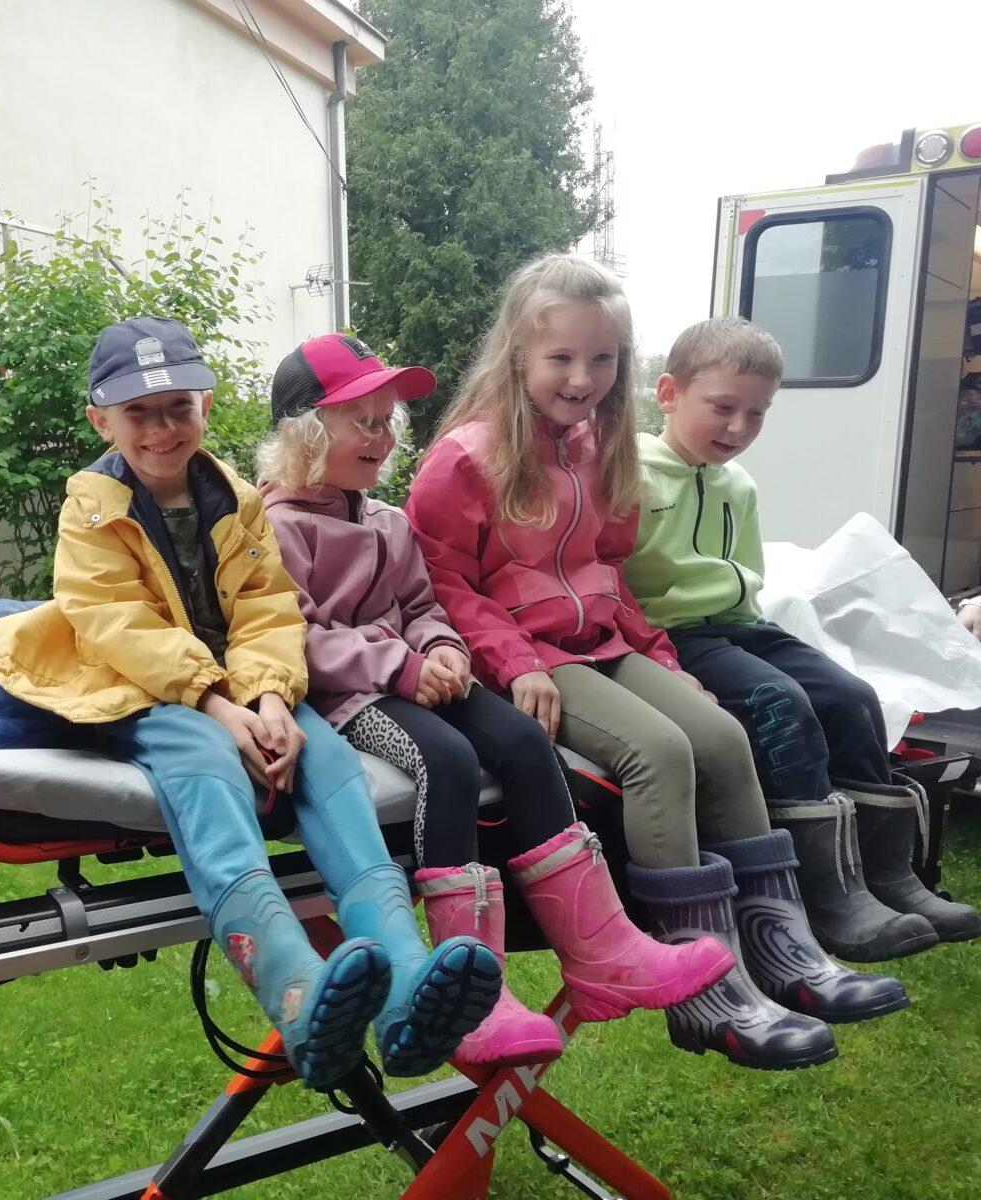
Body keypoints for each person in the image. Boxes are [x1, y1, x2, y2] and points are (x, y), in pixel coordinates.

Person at [0, 317, 501, 1090]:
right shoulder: (89, 512)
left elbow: (267, 607)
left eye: (178, 407)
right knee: (204, 763)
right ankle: (295, 990)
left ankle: (404, 988)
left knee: (325, 759)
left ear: (206, 406)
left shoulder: (235, 498)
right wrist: (221, 708)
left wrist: (271, 699)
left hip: (233, 681)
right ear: (100, 421)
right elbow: (117, 624)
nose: (161, 429)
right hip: (139, 686)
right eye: (137, 412)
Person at [404, 254, 874, 1071]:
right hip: (526, 655)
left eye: (602, 358)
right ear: (517, 353)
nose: (582, 378)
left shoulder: (599, 445)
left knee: (721, 737)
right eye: (561, 357)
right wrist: (515, 663)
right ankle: (700, 987)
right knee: (656, 752)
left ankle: (779, 950)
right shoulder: (467, 456)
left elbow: (609, 571)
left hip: (605, 641)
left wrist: (662, 656)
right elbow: (442, 579)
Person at [255, 333, 731, 1070]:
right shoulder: (275, 527)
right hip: (349, 698)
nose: (382, 438)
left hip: (423, 674)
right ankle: (471, 995)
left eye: (387, 422)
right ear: (305, 434)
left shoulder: (385, 520)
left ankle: (602, 948)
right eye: (362, 423)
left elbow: (422, 603)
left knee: (523, 741)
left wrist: (444, 647)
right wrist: (401, 666)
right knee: (446, 760)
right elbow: (291, 636)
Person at [625, 316, 977, 952]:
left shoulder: (738, 484)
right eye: (723, 407)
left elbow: (745, 579)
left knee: (854, 696)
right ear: (670, 394)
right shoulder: (630, 475)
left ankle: (889, 875)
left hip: (740, 627)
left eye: (757, 414)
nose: (739, 428)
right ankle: (827, 892)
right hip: (669, 635)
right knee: (779, 703)